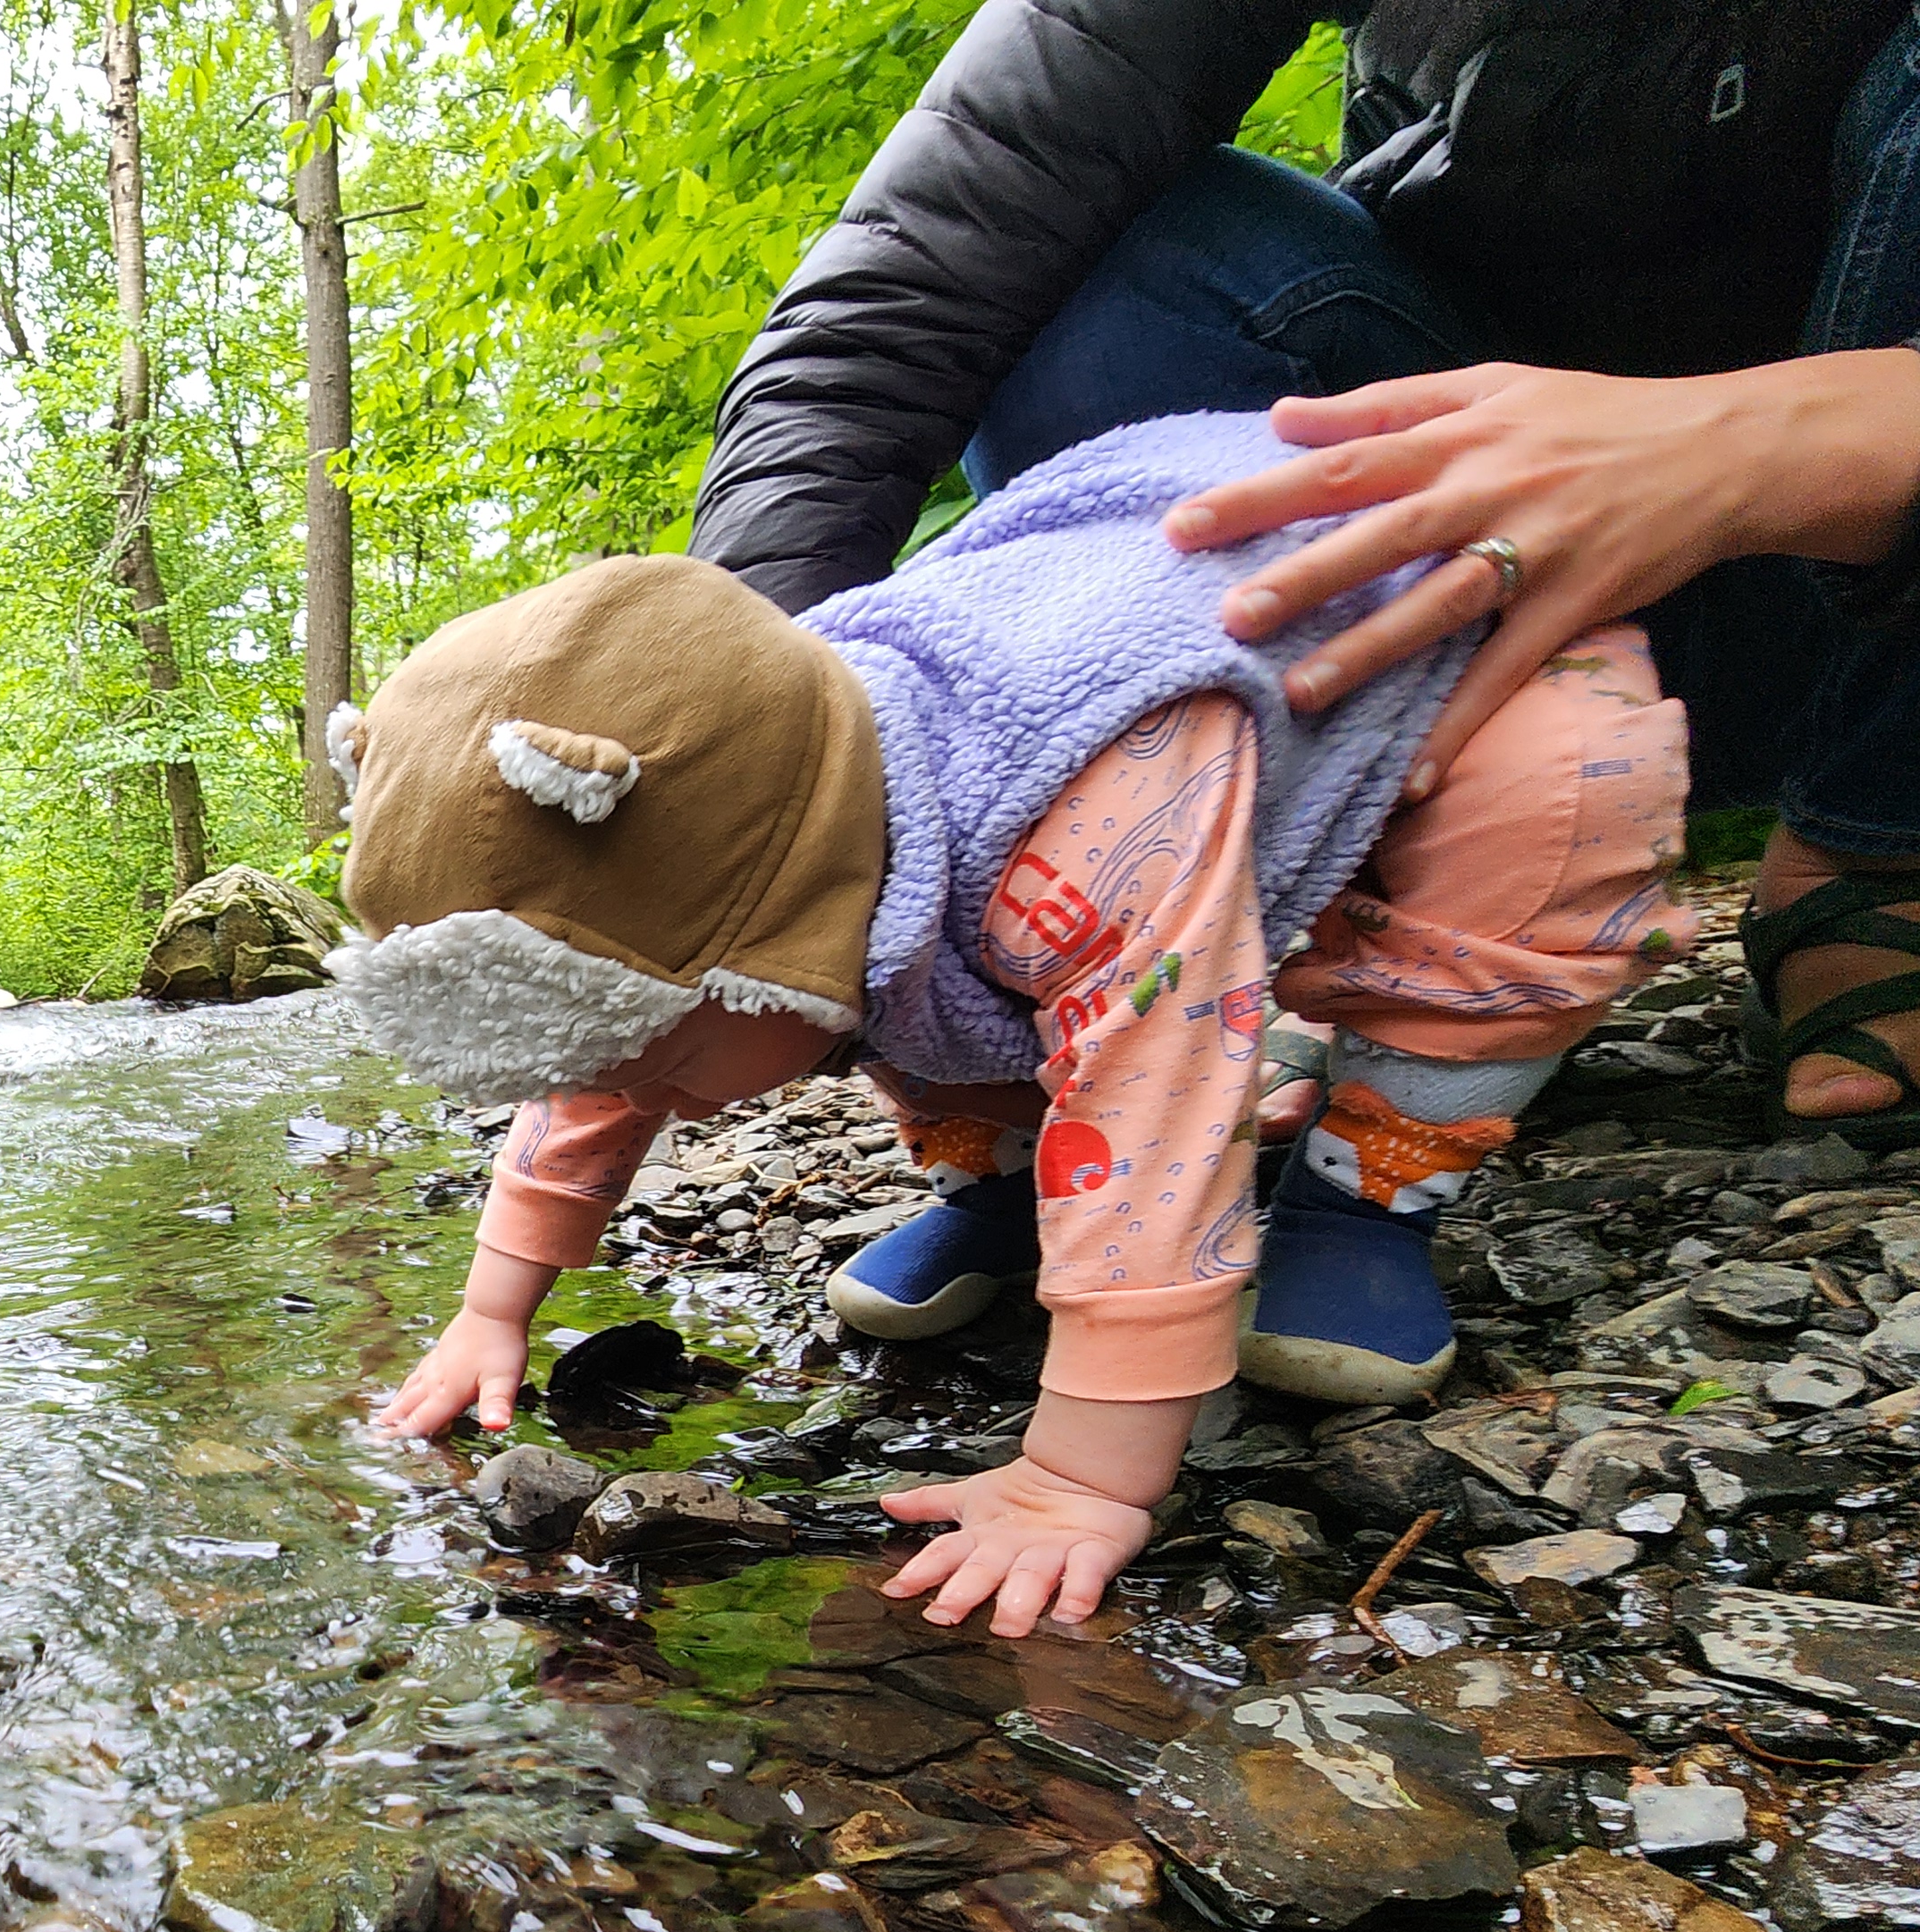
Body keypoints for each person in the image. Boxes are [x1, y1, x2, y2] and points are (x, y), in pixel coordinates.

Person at [338, 411, 1686, 1635]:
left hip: (1469, 662)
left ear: (777, 923)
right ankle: (998, 1184)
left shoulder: (1084, 832)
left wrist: (1081, 1483)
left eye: (673, 1059)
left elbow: (1163, 1100)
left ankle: (1366, 1197)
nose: (643, 1098)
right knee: (904, 1001)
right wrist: (492, 1310)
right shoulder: (787, 865)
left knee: (1522, 861)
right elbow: (600, 1064)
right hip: (1039, 806)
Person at [691, 0, 1920, 1227]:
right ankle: (1309, 901)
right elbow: (903, 289)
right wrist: (778, 790)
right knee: (1091, 266)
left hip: (1856, 581)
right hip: (1429, 561)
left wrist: (1762, 446)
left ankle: (1872, 843)